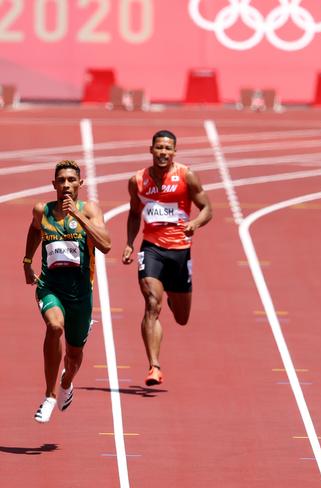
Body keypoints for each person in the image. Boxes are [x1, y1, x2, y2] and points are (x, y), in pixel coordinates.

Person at [23, 160, 112, 423]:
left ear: (80, 184)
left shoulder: (90, 210)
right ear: (54, 185)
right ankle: (49, 395)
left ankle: (66, 383)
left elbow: (106, 245)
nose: (66, 185)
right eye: (61, 181)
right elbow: (34, 230)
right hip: (50, 288)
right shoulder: (43, 210)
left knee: (73, 358)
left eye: (71, 180)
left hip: (81, 295)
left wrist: (77, 216)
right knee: (54, 327)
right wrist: (27, 262)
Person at [122, 130, 212, 386]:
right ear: (151, 150)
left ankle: (174, 298)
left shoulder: (186, 176)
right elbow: (133, 213)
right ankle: (154, 366)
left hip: (180, 251)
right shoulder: (137, 181)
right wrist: (130, 243)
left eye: (168, 148)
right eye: (159, 148)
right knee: (152, 304)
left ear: (174, 152)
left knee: (182, 318)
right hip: (151, 248)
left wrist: (195, 222)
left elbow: (208, 208)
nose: (163, 152)